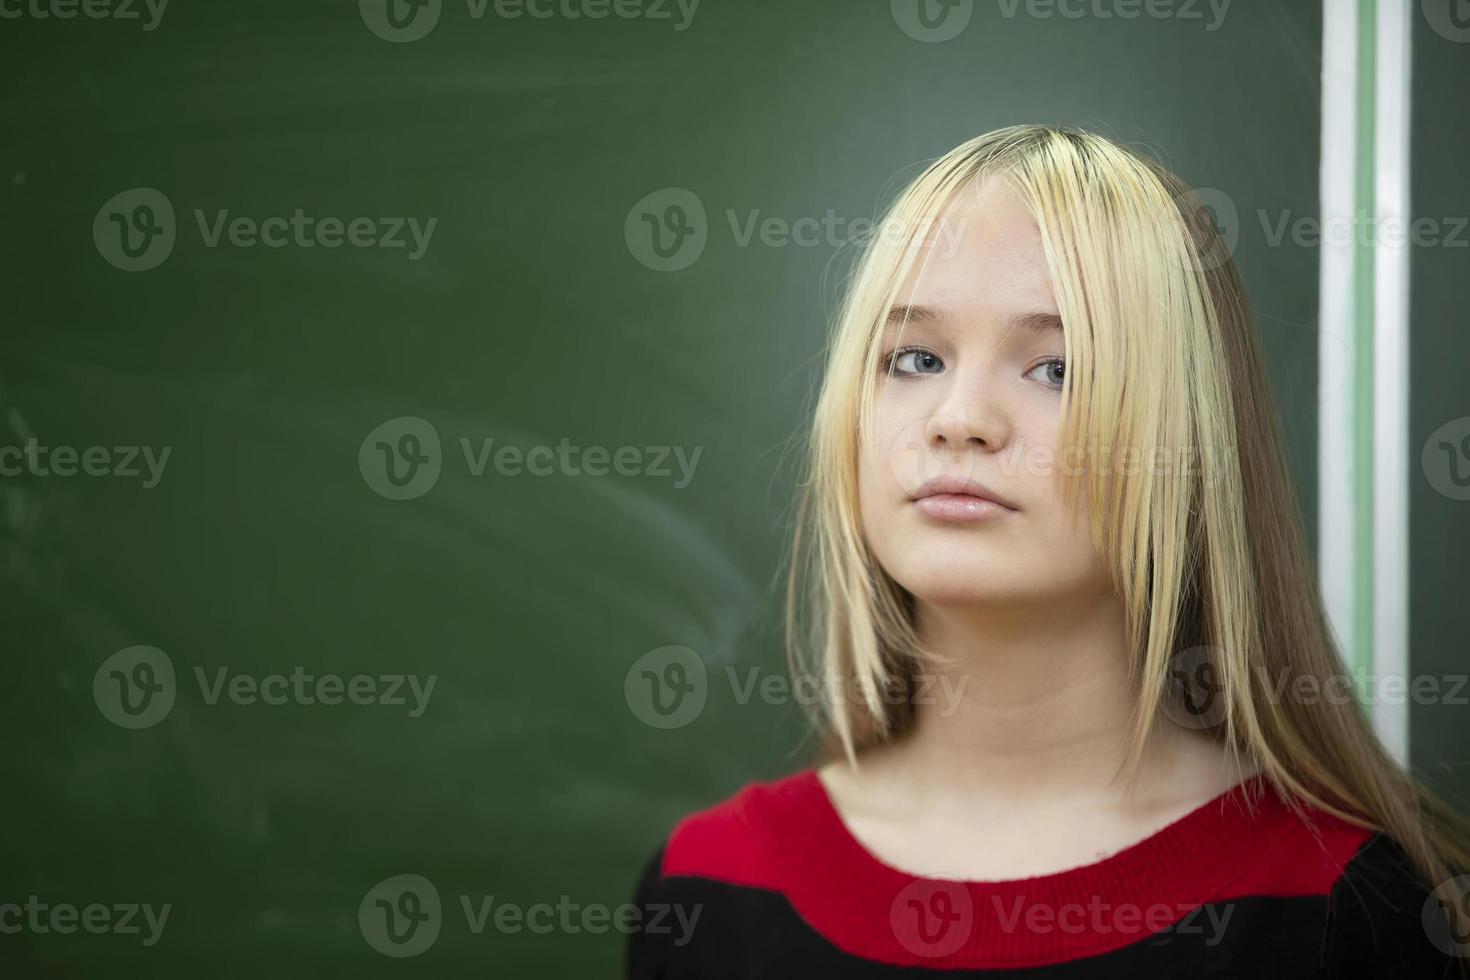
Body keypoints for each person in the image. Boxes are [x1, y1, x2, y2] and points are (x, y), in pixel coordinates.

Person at [625, 125, 1470, 977]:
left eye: (1057, 370)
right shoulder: (708, 889)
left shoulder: (1356, 910)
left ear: (1184, 445)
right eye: (914, 357)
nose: (959, 419)